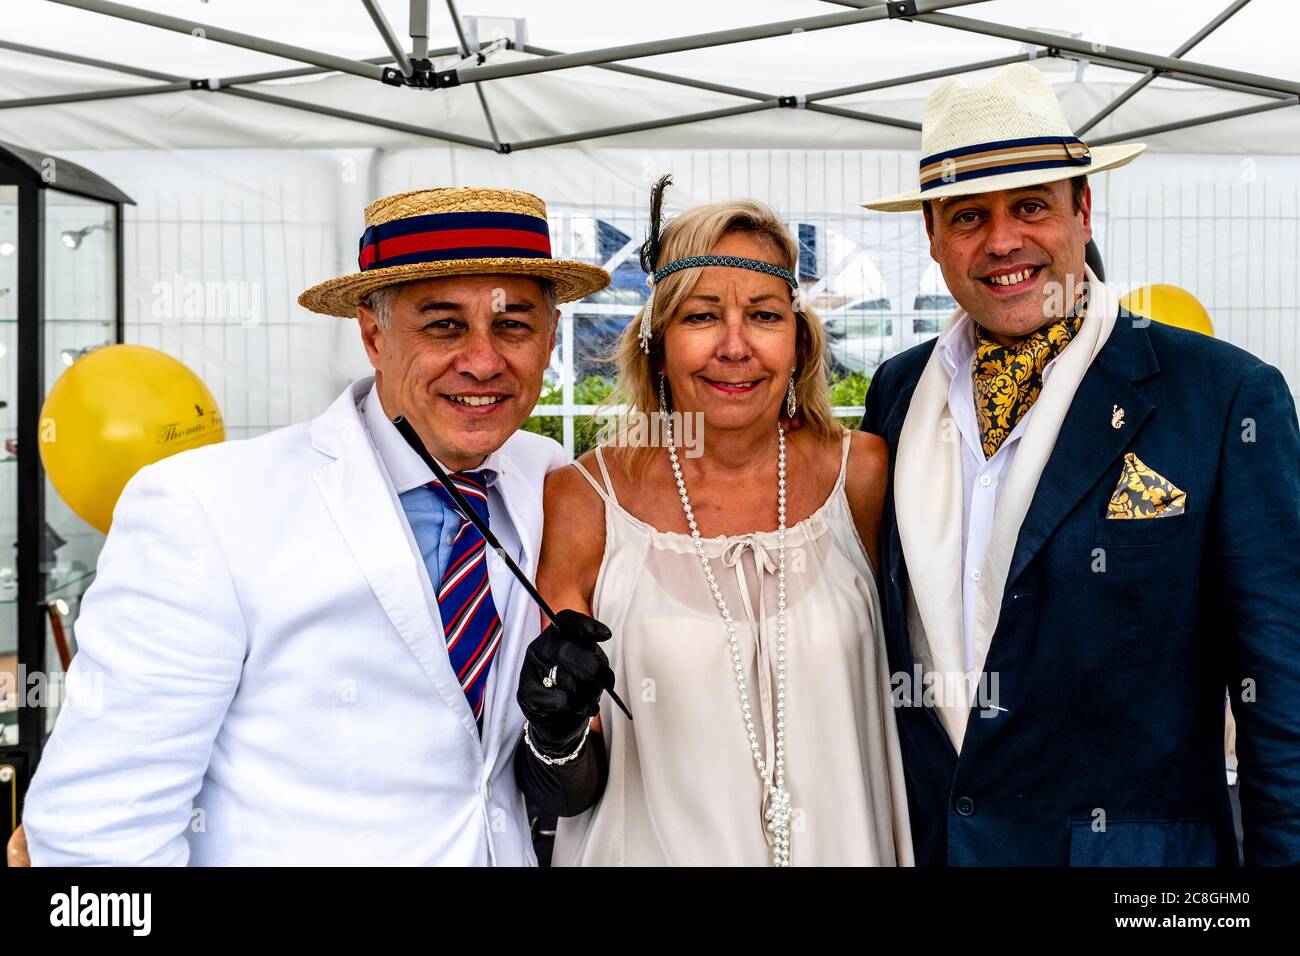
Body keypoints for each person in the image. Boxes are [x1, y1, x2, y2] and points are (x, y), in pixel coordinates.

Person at [20, 186, 610, 865]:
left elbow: (503, 781)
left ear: (550, 338)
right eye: (443, 325)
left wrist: (556, 729)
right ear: (372, 334)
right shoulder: (203, 507)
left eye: (512, 325)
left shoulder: (548, 478)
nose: (482, 360)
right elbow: (98, 830)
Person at [859, 63, 1300, 865]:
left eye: (1030, 206)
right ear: (931, 235)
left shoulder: (1225, 398)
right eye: (968, 216)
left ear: (1082, 208)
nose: (1002, 241)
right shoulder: (895, 395)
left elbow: (1283, 699)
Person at [514, 184, 913, 866]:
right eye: (702, 317)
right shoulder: (583, 498)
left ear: (799, 337)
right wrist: (557, 730)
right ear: (656, 340)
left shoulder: (864, 475)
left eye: (763, 315)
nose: (735, 347)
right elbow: (566, 789)